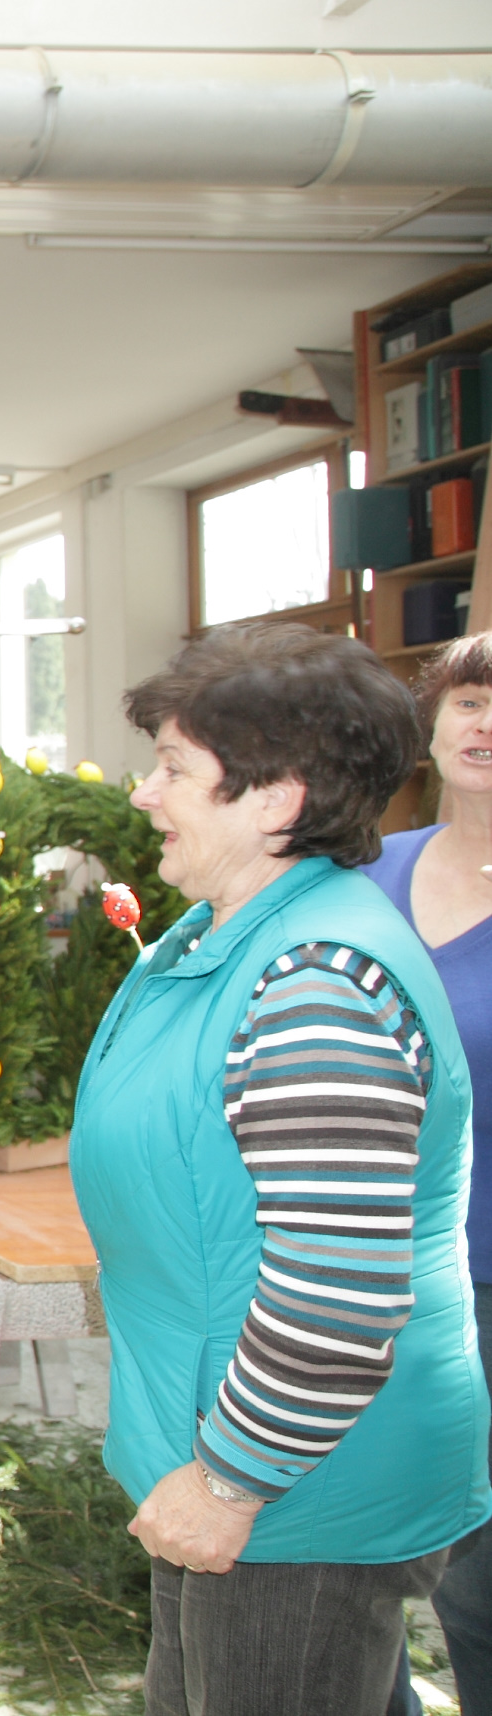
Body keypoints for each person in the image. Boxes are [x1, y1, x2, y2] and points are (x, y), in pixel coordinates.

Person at [70, 622, 489, 1716]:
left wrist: (230, 1481)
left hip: (290, 1490)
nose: (145, 794)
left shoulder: (317, 984)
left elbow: (341, 1291)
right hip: (244, 1461)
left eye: (173, 769)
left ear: (276, 798)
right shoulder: (236, 932)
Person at [365, 632, 492, 1715]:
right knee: (348, 1545)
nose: (483, 723)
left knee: (480, 1576)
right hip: (353, 1261)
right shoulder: (370, 874)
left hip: (485, 1270)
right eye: (466, 701)